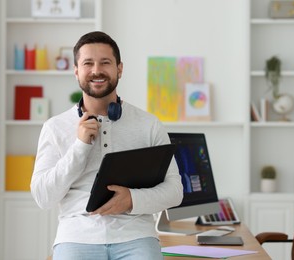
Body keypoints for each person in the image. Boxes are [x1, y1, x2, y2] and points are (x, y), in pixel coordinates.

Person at [30, 31, 183, 260]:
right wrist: (80, 147)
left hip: (136, 237)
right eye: (88, 63)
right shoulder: (55, 127)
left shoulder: (149, 124)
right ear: (76, 71)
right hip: (76, 237)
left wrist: (131, 200)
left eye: (105, 62)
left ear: (119, 69)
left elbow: (175, 191)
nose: (96, 70)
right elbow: (43, 197)